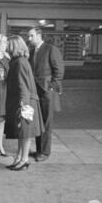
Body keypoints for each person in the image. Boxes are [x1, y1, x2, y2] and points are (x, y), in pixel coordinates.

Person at [5, 36, 44, 171]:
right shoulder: (19, 61)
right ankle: (19, 158)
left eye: (7, 44)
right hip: (25, 100)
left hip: (25, 102)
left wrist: (24, 106)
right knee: (22, 133)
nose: (5, 46)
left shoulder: (19, 62)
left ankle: (24, 160)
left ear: (13, 46)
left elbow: (23, 86)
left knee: (25, 133)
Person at [27, 28, 64, 163]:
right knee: (38, 122)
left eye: (31, 36)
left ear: (39, 35)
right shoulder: (31, 52)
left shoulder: (50, 49)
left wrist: (51, 87)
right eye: (28, 36)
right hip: (35, 91)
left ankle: (45, 152)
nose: (29, 39)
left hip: (47, 91)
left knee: (46, 123)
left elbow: (59, 70)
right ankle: (39, 150)